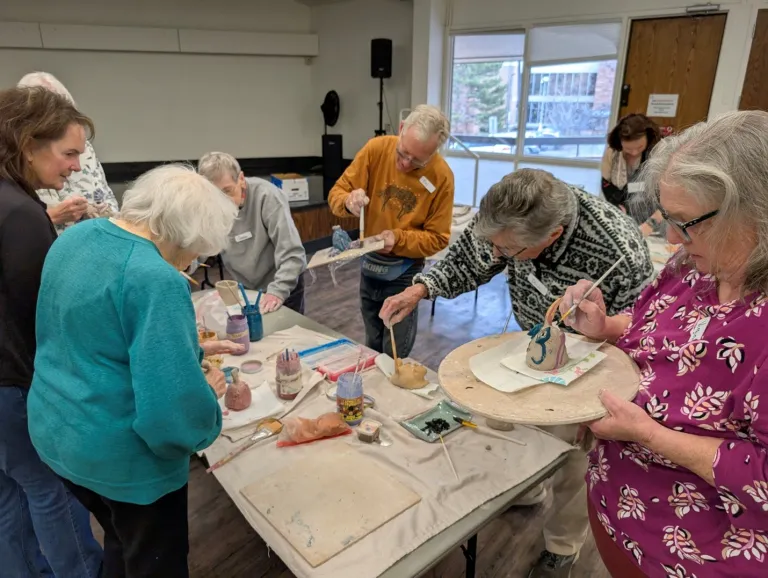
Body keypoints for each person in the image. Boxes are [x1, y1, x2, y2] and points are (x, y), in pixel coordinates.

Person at [380, 168, 655, 578]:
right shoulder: (506, 214)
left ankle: (562, 547)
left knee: (576, 460)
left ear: (553, 236)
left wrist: (599, 391)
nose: (496, 253)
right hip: (533, 340)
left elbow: (645, 327)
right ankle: (528, 488)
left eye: (507, 249)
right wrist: (420, 290)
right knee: (514, 422)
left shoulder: (618, 248)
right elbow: (467, 259)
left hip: (591, 358)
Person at [561, 110, 768, 578]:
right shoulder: (693, 264)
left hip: (696, 551)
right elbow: (662, 326)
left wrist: (650, 435)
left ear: (756, 211)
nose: (672, 238)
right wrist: (607, 327)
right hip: (620, 507)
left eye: (687, 222)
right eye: (670, 219)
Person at [27, 164, 239, 577]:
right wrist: (205, 396)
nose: (194, 261)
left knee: (119, 539)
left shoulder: (77, 237)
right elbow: (173, 417)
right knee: (154, 560)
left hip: (57, 432)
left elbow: (94, 331)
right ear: (183, 234)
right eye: (197, 249)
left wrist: (185, 347)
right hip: (120, 461)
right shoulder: (155, 277)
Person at [0, 86, 103, 577]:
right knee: (52, 491)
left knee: (9, 500)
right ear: (27, 143)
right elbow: (44, 318)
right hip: (14, 387)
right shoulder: (22, 214)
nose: (74, 167)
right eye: (69, 154)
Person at [328, 104, 454, 358]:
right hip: (369, 264)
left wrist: (398, 239)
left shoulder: (442, 177)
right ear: (401, 129)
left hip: (405, 272)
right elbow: (336, 194)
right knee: (371, 341)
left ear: (435, 152)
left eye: (417, 161)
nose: (405, 164)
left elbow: (438, 238)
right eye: (403, 153)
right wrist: (348, 202)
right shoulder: (376, 149)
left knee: (395, 350)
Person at [198, 151, 307, 314]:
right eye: (214, 195)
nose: (221, 202)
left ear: (241, 179)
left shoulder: (267, 196)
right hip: (247, 289)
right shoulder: (210, 206)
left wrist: (277, 292)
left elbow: (293, 254)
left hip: (281, 283)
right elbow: (199, 248)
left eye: (227, 191)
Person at [18, 71, 119, 234]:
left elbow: (107, 201)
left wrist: (97, 211)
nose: (76, 166)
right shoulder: (11, 172)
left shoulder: (84, 149)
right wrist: (51, 216)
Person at [601, 113, 663, 235]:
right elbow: (606, 185)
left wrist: (650, 224)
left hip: (655, 217)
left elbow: (668, 198)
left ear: (648, 138)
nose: (634, 153)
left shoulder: (658, 154)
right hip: (626, 215)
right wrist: (618, 208)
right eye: (628, 149)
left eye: (639, 147)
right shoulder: (612, 153)